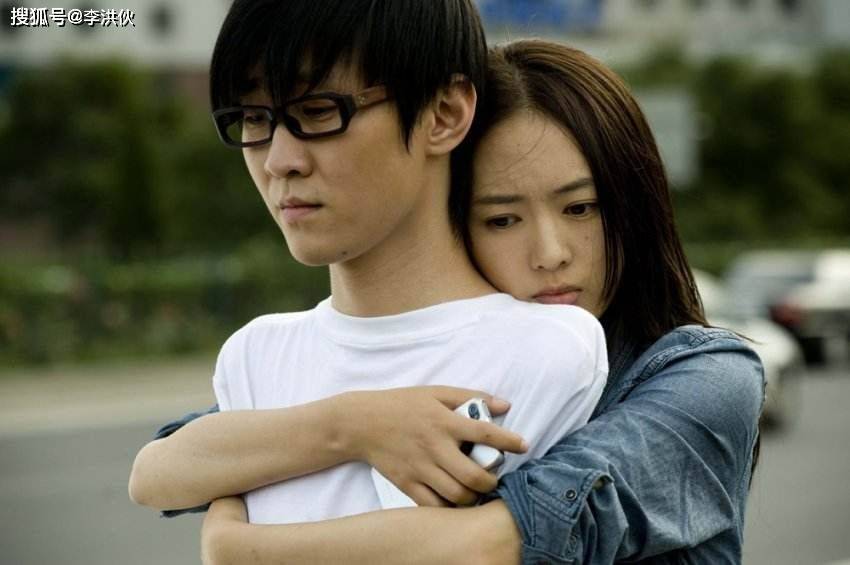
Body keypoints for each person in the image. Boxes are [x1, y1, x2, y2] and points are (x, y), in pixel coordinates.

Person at [174, 40, 765, 564]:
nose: (550, 253)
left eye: (581, 208)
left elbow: (490, 543)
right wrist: (353, 425)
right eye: (501, 219)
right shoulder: (452, 354)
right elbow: (174, 458)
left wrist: (234, 546)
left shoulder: (705, 377)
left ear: (635, 207)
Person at [129, 0, 609, 533]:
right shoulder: (256, 354)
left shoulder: (545, 349)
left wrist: (231, 549)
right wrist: (350, 425)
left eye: (318, 111)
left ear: (444, 114)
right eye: (255, 119)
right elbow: (150, 477)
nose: (280, 161)